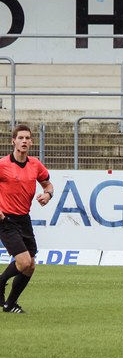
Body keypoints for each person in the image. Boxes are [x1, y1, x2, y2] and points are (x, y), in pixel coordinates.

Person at [0, 124, 55, 313]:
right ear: (13, 141)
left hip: (24, 219)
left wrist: (47, 195)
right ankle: (1, 281)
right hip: (6, 220)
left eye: (27, 138)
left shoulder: (35, 164)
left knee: (30, 266)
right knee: (23, 262)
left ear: (31, 142)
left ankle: (10, 304)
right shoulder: (3, 165)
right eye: (20, 138)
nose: (24, 141)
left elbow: (48, 185)